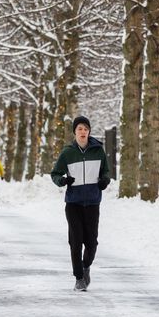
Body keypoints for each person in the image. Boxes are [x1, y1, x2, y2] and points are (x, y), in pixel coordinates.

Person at [51, 115, 111, 292]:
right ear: (75, 132)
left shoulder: (98, 151)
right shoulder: (68, 153)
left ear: (89, 131)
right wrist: (62, 181)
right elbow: (55, 173)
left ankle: (86, 267)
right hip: (74, 203)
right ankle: (78, 277)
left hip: (92, 202)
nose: (83, 132)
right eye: (79, 129)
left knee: (91, 242)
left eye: (85, 129)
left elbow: (106, 172)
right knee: (75, 241)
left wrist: (104, 181)